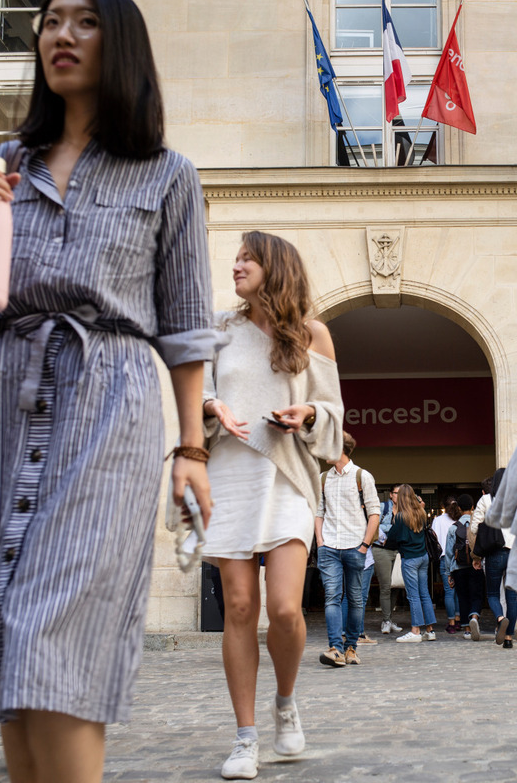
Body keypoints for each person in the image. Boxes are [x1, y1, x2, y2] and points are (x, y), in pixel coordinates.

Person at [0, 0, 221, 781]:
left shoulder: (167, 175)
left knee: (52, 635)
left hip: (109, 405)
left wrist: (191, 447)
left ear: (120, 43)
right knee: (6, 653)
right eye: (51, 21)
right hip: (0, 406)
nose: (61, 34)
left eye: (85, 21)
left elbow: (188, 323)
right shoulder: (7, 166)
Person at [201, 231, 344, 779]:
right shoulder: (220, 329)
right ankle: (245, 737)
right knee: (238, 608)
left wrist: (306, 414)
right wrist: (214, 404)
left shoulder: (314, 335)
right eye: (236, 258)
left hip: (287, 477)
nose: (236, 266)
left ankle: (286, 701)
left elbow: (333, 419)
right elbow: (198, 392)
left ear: (274, 267)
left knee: (285, 608)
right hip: (229, 474)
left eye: (247, 259)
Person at [315, 432, 381, 667]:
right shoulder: (323, 478)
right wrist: (320, 542)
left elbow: (375, 513)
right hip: (330, 547)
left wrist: (364, 545)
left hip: (355, 547)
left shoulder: (362, 477)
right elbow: (319, 511)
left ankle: (351, 647)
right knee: (332, 597)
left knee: (355, 600)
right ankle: (335, 648)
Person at [471, 468, 517, 648]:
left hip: (495, 552)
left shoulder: (486, 500)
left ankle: (500, 618)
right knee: (512, 598)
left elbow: (474, 528)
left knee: (492, 593)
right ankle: (508, 638)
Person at [386, 484, 439, 642]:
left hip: (409, 558)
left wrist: (394, 516)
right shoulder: (421, 513)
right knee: (424, 594)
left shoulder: (401, 517)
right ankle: (430, 631)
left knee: (413, 595)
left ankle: (415, 631)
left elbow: (392, 538)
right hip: (423, 557)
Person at [445, 494, 485, 641]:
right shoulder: (478, 525)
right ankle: (474, 616)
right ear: (473, 507)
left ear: (459, 508)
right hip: (476, 566)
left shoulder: (453, 528)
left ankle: (467, 629)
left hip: (458, 567)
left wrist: (448, 572)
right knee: (476, 594)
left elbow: (449, 553)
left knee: (463, 597)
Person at [371, 485, 404, 634]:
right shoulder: (383, 508)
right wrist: (385, 536)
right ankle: (386, 620)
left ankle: (389, 619)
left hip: (398, 550)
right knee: (385, 586)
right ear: (391, 495)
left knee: (396, 585)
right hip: (381, 549)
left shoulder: (405, 511)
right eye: (397, 493)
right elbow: (373, 524)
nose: (400, 496)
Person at [432, 496, 460, 633]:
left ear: (443, 506)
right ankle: (459, 619)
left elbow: (433, 540)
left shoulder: (437, 521)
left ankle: (451, 622)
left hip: (444, 558)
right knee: (459, 591)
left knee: (449, 591)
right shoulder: (458, 519)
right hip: (459, 559)